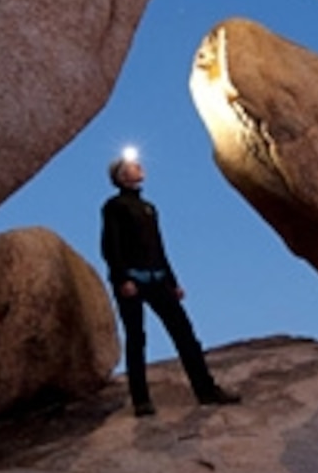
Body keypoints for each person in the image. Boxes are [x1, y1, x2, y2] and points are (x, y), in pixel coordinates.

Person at [99, 152, 238, 416]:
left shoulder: (149, 208)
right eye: (131, 165)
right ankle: (141, 401)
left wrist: (173, 282)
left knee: (185, 334)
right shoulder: (114, 206)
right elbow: (110, 246)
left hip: (158, 279)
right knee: (136, 338)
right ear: (120, 175)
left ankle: (206, 391)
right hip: (132, 282)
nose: (139, 166)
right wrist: (122, 279)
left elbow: (159, 248)